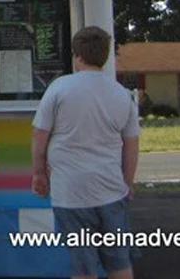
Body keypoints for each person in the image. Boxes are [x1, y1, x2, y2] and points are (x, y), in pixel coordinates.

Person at [31, 25, 140, 279]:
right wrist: (128, 183)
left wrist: (38, 173)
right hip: (111, 190)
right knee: (119, 263)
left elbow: (39, 135)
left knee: (83, 268)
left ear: (77, 56)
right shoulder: (122, 95)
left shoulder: (59, 88)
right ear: (105, 55)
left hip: (71, 193)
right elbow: (131, 145)